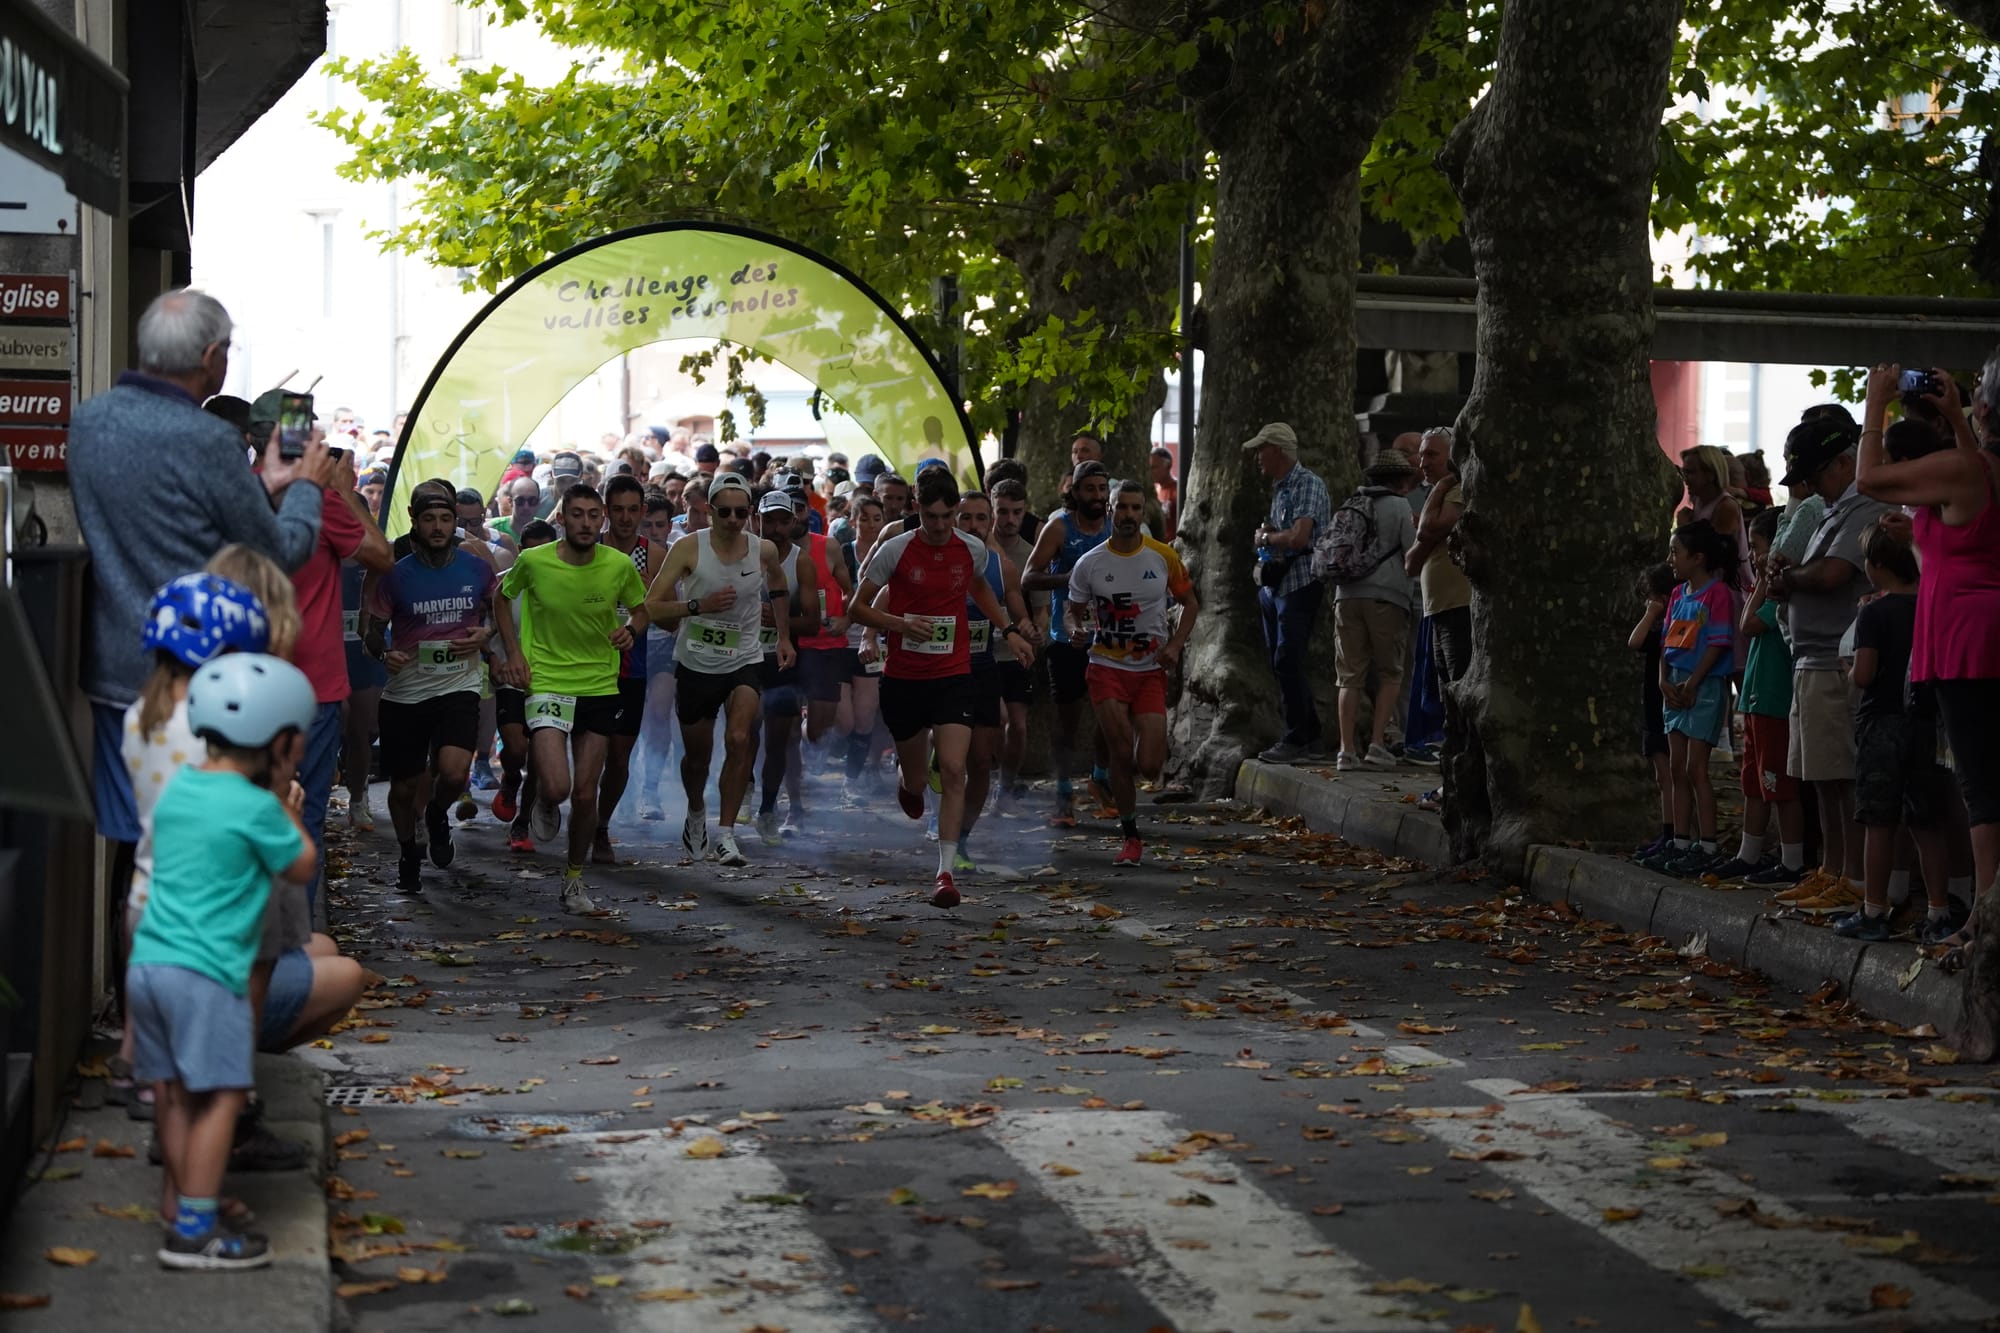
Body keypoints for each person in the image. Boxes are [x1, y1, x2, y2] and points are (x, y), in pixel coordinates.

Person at [68, 289, 330, 868]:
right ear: (211, 356)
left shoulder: (88, 423)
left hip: (115, 669)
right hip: (202, 680)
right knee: (202, 853)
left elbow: (169, 516)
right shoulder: (209, 440)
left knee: (133, 846)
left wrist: (263, 488)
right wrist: (306, 483)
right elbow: (282, 551)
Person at [129, 652, 318, 1270]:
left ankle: (183, 1202)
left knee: (177, 1094)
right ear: (283, 741)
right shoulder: (257, 807)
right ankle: (194, 1233)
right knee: (224, 1097)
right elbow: (300, 865)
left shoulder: (183, 786)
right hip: (208, 979)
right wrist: (288, 806)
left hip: (149, 967)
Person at [1856, 360, 2000, 955]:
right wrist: (1954, 419)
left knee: (1982, 788)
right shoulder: (1978, 467)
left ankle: (1986, 923)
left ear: (1985, 408)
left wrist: (1876, 403)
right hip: (1982, 630)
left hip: (1967, 639)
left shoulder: (1963, 469)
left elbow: (1868, 479)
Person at [851, 468, 1033, 908]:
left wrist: (1008, 629)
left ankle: (945, 872)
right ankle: (909, 784)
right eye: (931, 517)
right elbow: (855, 606)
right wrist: (897, 625)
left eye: (947, 516)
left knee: (955, 769)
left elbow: (979, 589)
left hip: (954, 674)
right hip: (905, 678)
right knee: (918, 781)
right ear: (917, 509)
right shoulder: (895, 550)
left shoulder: (971, 550)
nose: (939, 526)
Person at [257, 392, 392, 919]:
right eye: (307, 431)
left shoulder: (241, 493)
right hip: (310, 686)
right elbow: (382, 554)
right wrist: (343, 492)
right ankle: (298, 939)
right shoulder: (322, 500)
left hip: (247, 682)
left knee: (251, 808)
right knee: (306, 814)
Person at [493, 485, 650, 912]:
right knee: (560, 788)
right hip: (546, 681)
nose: (585, 522)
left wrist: (631, 630)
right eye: (576, 514)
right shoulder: (533, 560)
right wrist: (513, 652)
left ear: (601, 520)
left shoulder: (618, 565)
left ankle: (575, 879)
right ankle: (543, 795)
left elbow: (641, 608)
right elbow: (500, 598)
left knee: (585, 795)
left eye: (592, 515)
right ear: (562, 519)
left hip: (599, 685)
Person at [1763, 420, 1892, 913]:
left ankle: (1853, 879)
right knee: (1823, 777)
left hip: (1835, 665)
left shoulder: (1866, 504)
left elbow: (1832, 573)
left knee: (1844, 778)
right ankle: (1833, 869)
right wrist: (1789, 578)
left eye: (1816, 472)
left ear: (1844, 462)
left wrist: (1789, 578)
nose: (1809, 485)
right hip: (1812, 661)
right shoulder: (1834, 508)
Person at [645, 473, 795, 868]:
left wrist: (783, 636)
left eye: (741, 512)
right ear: (709, 511)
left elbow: (778, 586)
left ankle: (726, 834)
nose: (733, 519)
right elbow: (652, 606)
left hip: (744, 658)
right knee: (697, 757)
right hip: (695, 662)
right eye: (724, 511)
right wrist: (697, 607)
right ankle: (696, 811)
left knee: (740, 737)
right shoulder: (687, 548)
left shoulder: (762, 551)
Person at [1831, 528, 1959, 941]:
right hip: (1925, 722)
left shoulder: (1874, 613)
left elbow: (1865, 674)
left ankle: (1874, 909)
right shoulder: (1931, 608)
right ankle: (1939, 910)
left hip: (1881, 722)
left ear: (1878, 567)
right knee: (1926, 820)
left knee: (1879, 820)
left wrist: (1848, 672)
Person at [369, 489, 498, 893]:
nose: (438, 527)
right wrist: (384, 653)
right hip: (407, 692)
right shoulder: (395, 573)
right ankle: (409, 852)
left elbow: (496, 611)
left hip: (459, 684)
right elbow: (371, 631)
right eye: (430, 519)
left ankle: (438, 814)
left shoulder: (476, 569)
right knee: (404, 788)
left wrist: (486, 633)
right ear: (415, 521)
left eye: (446, 519)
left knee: (455, 772)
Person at [1064, 479, 1197, 866]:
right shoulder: (1090, 563)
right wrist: (1075, 632)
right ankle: (1131, 835)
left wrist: (1174, 646)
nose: (1129, 516)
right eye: (1122, 508)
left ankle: (1103, 771)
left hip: (1150, 669)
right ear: (1110, 510)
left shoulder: (1163, 557)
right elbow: (1072, 612)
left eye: (1136, 509)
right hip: (1106, 667)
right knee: (1124, 752)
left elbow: (1190, 604)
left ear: (1143, 513)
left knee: (1151, 764)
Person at [1022, 461, 1113, 824]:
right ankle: (1062, 792)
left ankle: (1101, 780)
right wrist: (1073, 579)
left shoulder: (1115, 527)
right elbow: (1029, 577)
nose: (1097, 496)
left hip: (1111, 638)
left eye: (1102, 489)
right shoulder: (1059, 527)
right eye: (1089, 489)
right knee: (1068, 720)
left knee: (1113, 716)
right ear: (1074, 492)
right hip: (1067, 638)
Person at [1645, 521, 1738, 875]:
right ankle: (1680, 842)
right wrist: (1663, 681)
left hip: (1705, 686)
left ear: (1697, 557)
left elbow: (1717, 644)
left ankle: (1708, 844)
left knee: (1696, 768)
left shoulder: (1717, 595)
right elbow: (1666, 643)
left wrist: (1694, 683)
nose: (1670, 559)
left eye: (1675, 552)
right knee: (1675, 768)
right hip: (1675, 685)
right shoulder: (1677, 595)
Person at [950, 490, 1035, 865]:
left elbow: (1016, 614)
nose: (973, 525)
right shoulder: (934, 560)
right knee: (945, 763)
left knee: (981, 761)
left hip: (982, 666)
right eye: (965, 518)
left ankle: (962, 837)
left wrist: (1025, 631)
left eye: (980, 518)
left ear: (991, 522)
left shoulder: (1003, 569)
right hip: (936, 672)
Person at [1727, 508, 1808, 887]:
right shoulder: (1765, 589)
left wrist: (1764, 577)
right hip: (1756, 699)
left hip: (1775, 699)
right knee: (1753, 783)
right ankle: (1749, 853)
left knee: (1779, 785)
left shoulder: (1780, 593)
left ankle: (1792, 861)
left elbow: (1748, 623)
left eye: (1757, 547)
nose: (1754, 556)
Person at [1245, 423, 1332, 763]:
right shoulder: (1280, 489)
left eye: (1261, 450)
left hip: (1299, 582)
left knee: (1287, 658)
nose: (1257, 458)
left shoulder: (1307, 484)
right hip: (1275, 585)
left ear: (1278, 450)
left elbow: (1299, 537)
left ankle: (1297, 737)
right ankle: (1308, 733)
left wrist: (1266, 538)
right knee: (1280, 661)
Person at [593, 475, 668, 862]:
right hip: (585, 665)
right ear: (606, 512)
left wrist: (646, 599)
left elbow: (670, 618)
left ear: (642, 511)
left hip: (631, 667)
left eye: (632, 510)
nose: (624, 518)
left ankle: (601, 827)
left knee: (618, 757)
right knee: (586, 753)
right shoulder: (588, 547)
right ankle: (546, 804)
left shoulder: (653, 555)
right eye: (617, 510)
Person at [1330, 451, 1420, 770]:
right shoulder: (1400, 506)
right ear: (1401, 480)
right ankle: (1378, 744)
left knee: (1349, 676)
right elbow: (1412, 553)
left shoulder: (1351, 503)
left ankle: (1346, 750)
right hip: (1387, 597)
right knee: (1390, 672)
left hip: (1346, 596)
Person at [1404, 427, 1469, 810]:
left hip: (1458, 608)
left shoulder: (1455, 488)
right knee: (1446, 701)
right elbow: (1412, 560)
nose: (1422, 462)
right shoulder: (1439, 493)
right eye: (1422, 455)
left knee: (1458, 700)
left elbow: (1429, 529)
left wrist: (1443, 484)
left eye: (1431, 455)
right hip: (1438, 608)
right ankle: (1451, 784)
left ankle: (1459, 788)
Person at [752, 489, 819, 840]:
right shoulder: (742, 554)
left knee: (778, 739)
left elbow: (813, 622)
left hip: (783, 660)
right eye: (769, 521)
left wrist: (780, 622)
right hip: (744, 657)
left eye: (783, 521)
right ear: (757, 520)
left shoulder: (800, 561)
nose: (776, 528)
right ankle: (744, 791)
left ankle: (767, 808)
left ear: (793, 522)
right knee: (744, 732)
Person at [492, 519, 557, 851]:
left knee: (539, 758)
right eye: (531, 552)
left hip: (552, 680)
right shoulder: (503, 587)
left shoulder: (566, 586)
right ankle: (510, 777)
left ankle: (521, 825)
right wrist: (494, 661)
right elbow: (482, 633)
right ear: (520, 552)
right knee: (516, 749)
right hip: (511, 680)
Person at [796, 482, 858, 763]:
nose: (793, 516)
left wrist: (846, 618)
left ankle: (807, 743)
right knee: (778, 717)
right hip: (790, 643)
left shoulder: (828, 546)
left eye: (798, 509)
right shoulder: (767, 550)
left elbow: (850, 593)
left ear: (807, 511)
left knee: (825, 718)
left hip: (826, 642)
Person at [988, 479, 1038, 805]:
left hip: (1015, 653)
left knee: (1017, 727)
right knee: (997, 720)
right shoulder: (974, 549)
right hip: (981, 654)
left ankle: (1005, 787)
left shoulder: (1030, 554)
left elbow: (1039, 610)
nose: (1009, 519)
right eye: (1002, 511)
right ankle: (985, 777)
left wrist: (1034, 630)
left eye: (1016, 512)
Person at [636, 493, 683, 821]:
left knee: (659, 711)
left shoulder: (680, 555)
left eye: (659, 524)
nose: (653, 530)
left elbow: (687, 604)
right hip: (630, 643)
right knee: (630, 721)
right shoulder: (626, 555)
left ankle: (651, 789)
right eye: (647, 524)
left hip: (666, 642)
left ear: (670, 526)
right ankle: (625, 785)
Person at [1628, 562, 1679, 862]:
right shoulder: (1657, 627)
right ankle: (1668, 831)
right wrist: (1651, 615)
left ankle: (1678, 835)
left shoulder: (1674, 625)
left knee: (1674, 774)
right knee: (1663, 777)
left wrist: (1653, 612)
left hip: (1668, 705)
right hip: (1652, 705)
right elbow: (1635, 641)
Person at [840, 495, 889, 804]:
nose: (871, 524)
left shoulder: (889, 554)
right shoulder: (844, 553)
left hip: (871, 642)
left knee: (865, 716)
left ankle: (851, 780)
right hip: (840, 641)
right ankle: (814, 741)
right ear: (852, 522)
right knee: (843, 719)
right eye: (865, 518)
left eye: (876, 518)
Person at [1151, 447, 1180, 542]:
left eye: (1154, 467)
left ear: (1168, 465)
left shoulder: (1178, 490)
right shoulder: (1155, 490)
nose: (1151, 472)